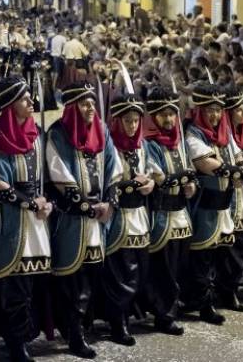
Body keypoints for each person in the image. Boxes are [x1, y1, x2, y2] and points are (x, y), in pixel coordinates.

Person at [46, 82, 121, 358]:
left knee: (91, 275)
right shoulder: (57, 134)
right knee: (70, 278)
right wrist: (88, 206)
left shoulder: (102, 131)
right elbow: (60, 175)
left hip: (98, 219)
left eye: (93, 103)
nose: (91, 108)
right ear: (72, 106)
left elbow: (114, 168)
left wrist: (109, 201)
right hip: (72, 221)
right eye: (85, 104)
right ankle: (73, 332)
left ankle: (84, 326)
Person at [0, 75, 53, 362]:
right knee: (13, 286)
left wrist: (47, 203)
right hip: (11, 222)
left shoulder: (37, 133)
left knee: (33, 284)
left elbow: (45, 177)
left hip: (38, 220)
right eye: (26, 99)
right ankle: (15, 342)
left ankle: (27, 334)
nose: (32, 102)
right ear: (12, 104)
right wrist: (29, 203)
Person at [183, 84, 243, 325]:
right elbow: (205, 163)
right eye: (210, 110)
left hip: (224, 203)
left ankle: (214, 297)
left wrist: (239, 169)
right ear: (200, 110)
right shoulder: (194, 133)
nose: (215, 115)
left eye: (218, 110)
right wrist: (230, 169)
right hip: (204, 206)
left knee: (219, 255)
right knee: (202, 257)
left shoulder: (224, 133)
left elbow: (236, 157)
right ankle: (203, 304)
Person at [140, 86, 195, 336]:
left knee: (178, 265)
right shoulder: (149, 144)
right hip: (161, 214)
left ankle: (172, 307)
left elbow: (188, 172)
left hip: (181, 213)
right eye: (163, 114)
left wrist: (190, 183)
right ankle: (163, 315)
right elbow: (161, 179)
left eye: (172, 114)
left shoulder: (179, 142)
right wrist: (183, 178)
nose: (169, 119)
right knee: (163, 268)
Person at [103, 94, 155, 346]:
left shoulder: (141, 145)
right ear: (117, 121)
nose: (133, 126)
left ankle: (130, 313)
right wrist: (133, 184)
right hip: (120, 218)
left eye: (136, 121)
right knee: (121, 273)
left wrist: (151, 183)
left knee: (139, 270)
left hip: (140, 218)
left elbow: (153, 172)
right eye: (128, 121)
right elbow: (109, 182)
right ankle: (117, 321)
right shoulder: (109, 146)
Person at [216, 89, 243, 312]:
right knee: (231, 246)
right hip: (234, 195)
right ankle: (227, 290)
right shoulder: (226, 135)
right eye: (239, 109)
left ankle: (237, 285)